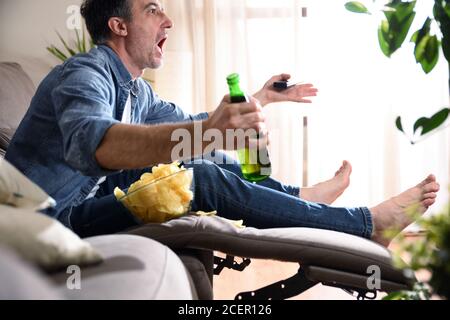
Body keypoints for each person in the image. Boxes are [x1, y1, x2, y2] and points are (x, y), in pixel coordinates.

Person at [5, 0, 440, 247]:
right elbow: (93, 144)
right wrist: (207, 130)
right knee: (201, 179)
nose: (168, 20)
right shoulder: (84, 74)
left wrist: (261, 98)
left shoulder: (137, 91)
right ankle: (367, 224)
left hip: (89, 196)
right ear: (118, 25)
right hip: (50, 222)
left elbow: (200, 126)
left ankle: (302, 197)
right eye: (153, 10)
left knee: (213, 154)